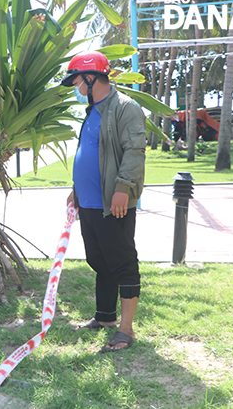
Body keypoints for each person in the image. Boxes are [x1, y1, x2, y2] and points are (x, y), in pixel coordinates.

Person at [61, 51, 146, 352]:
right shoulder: (92, 110)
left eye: (76, 80)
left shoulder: (125, 108)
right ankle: (105, 317)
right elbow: (90, 151)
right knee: (100, 261)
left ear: (91, 77)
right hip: (90, 203)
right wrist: (77, 189)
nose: (75, 86)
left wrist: (123, 187)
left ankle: (126, 329)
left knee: (122, 262)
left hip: (115, 204)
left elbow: (134, 151)